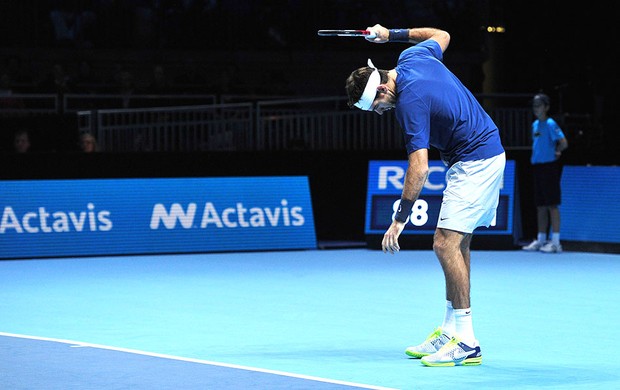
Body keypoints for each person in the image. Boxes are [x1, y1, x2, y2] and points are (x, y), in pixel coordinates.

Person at [345, 25, 506, 367]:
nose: (378, 112)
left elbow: (418, 168)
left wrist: (399, 219)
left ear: (384, 86)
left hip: (477, 161)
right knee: (457, 244)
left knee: (444, 243)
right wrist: (391, 34)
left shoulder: (409, 104)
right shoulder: (412, 55)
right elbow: (444, 34)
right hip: (476, 155)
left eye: (375, 105)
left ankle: (467, 341)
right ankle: (451, 330)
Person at [522, 93, 568, 253]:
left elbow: (563, 142)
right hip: (537, 168)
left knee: (552, 205)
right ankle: (541, 239)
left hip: (549, 168)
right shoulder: (535, 125)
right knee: (540, 206)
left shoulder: (550, 124)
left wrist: (557, 151)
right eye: (534, 106)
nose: (536, 108)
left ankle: (556, 242)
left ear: (546, 107)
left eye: (539, 105)